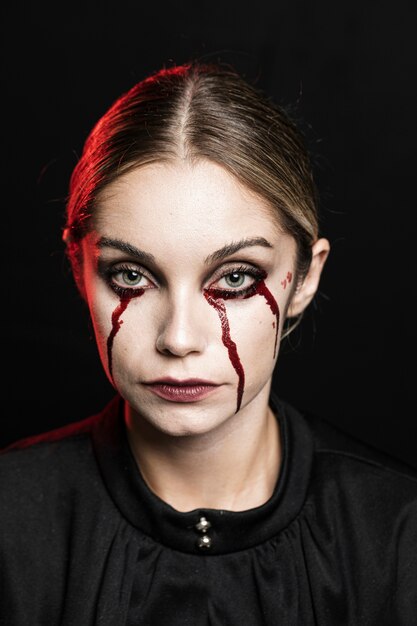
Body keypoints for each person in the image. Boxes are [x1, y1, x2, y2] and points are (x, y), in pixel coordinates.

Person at [1, 61, 416, 626]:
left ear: (306, 279)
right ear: (79, 267)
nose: (179, 338)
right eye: (130, 276)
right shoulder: (10, 520)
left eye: (236, 278)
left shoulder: (397, 532)